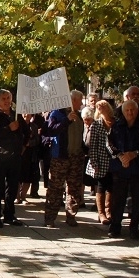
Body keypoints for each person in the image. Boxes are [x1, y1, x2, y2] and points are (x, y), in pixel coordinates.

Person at [42, 90, 85, 227]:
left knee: (74, 189)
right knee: (55, 188)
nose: (81, 103)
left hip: (76, 157)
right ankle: (50, 218)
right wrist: (66, 120)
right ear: (73, 100)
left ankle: (71, 215)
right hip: (60, 158)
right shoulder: (57, 113)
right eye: (80, 100)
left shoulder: (79, 116)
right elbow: (50, 130)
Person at [0, 90, 28, 227]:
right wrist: (8, 128)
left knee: (12, 187)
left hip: (15, 156)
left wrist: (24, 145)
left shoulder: (16, 114)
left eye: (8, 98)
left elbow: (26, 131)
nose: (7, 100)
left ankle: (9, 215)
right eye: (3, 98)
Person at [106, 100, 139, 239]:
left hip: (138, 168)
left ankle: (135, 227)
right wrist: (120, 155)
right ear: (123, 112)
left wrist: (134, 154)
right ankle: (115, 226)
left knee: (138, 200)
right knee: (118, 200)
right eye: (127, 110)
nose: (130, 113)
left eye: (133, 110)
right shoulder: (117, 126)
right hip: (120, 168)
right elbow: (109, 144)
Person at [86, 100, 114, 225]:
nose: (101, 108)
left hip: (114, 160)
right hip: (100, 159)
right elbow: (93, 146)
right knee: (101, 185)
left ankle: (109, 211)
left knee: (111, 186)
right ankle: (101, 213)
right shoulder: (96, 124)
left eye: (104, 105)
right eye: (99, 106)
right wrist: (94, 163)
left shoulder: (116, 122)